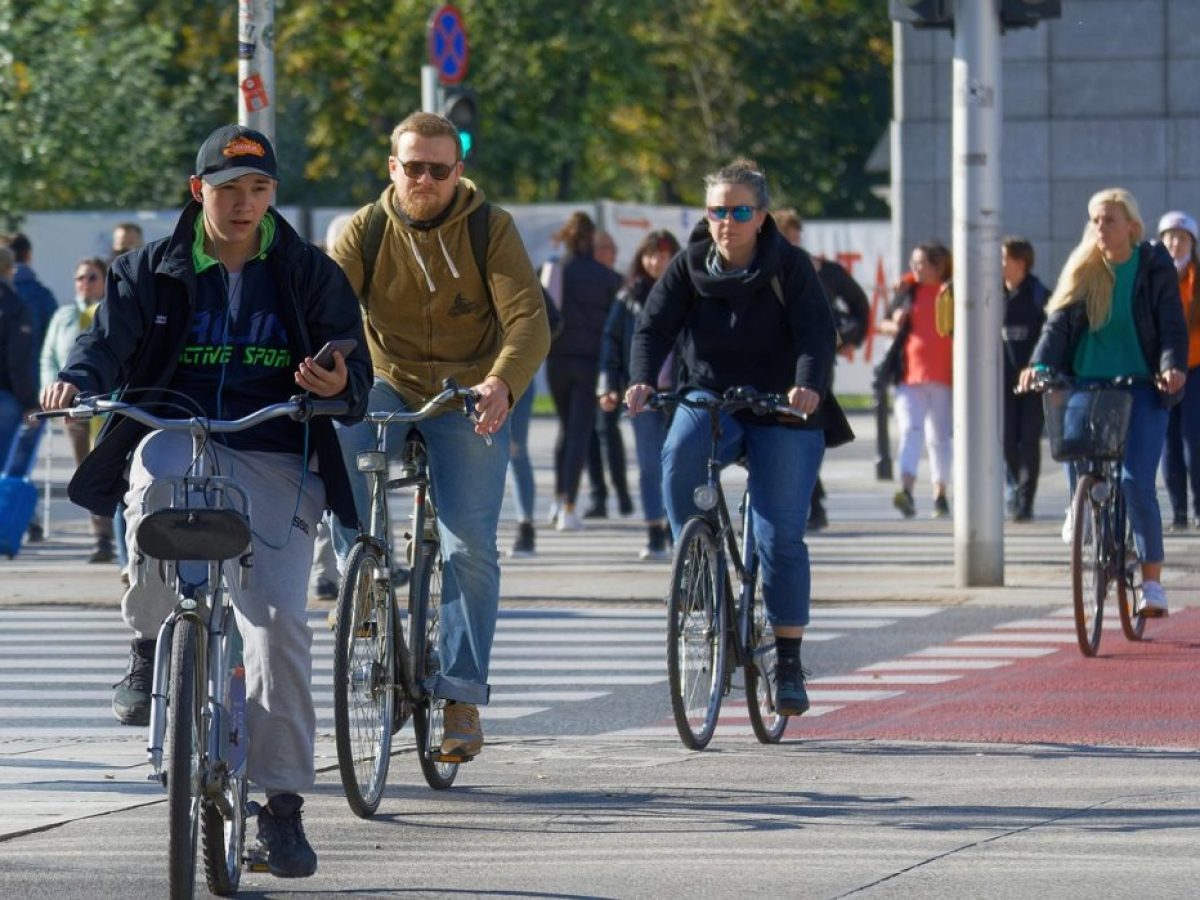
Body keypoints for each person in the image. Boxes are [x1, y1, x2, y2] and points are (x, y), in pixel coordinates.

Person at [40, 124, 371, 878]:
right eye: (228, 189)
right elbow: (105, 346)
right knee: (149, 482)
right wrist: (74, 380)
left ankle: (281, 811)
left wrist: (335, 387)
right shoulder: (146, 270)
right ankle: (150, 640)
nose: (245, 203)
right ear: (199, 192)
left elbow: (357, 372)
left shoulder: (308, 272)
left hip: (276, 448)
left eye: (258, 189)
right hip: (175, 429)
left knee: (280, 630)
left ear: (272, 195)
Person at [328, 111, 549, 760]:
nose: (425, 178)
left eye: (439, 169)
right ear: (392, 169)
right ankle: (359, 577)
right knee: (337, 444)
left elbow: (528, 318)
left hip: (467, 389)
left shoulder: (490, 228)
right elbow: (328, 309)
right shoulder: (365, 231)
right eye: (412, 166)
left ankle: (460, 697)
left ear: (458, 172)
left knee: (469, 544)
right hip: (388, 378)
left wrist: (503, 383)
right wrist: (324, 366)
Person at [626, 158, 852, 715]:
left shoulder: (790, 266)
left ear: (761, 216)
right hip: (712, 395)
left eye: (739, 210)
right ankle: (698, 568)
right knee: (677, 451)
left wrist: (808, 388)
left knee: (779, 539)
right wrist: (638, 379)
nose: (727, 221)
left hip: (782, 407)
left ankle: (790, 660)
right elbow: (653, 328)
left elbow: (817, 334)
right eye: (717, 210)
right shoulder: (687, 265)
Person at [1019, 187, 1186, 617]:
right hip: (1088, 384)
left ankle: (1151, 585)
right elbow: (1056, 327)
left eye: (1109, 220)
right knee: (1079, 456)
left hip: (1143, 386)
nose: (1100, 227)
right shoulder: (1084, 267)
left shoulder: (1152, 266)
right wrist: (1039, 366)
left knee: (1135, 482)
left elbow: (1171, 325)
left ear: (1131, 226)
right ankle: (1083, 512)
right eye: (1094, 219)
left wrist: (1172, 367)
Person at [775, 209, 870, 530]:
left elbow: (859, 305)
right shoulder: (765, 269)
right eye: (786, 235)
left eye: (795, 235)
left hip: (816, 357)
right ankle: (808, 498)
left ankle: (814, 502)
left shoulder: (822, 270)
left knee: (806, 424)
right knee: (781, 432)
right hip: (776, 360)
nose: (792, 241)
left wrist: (849, 339)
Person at [598, 229, 680, 559]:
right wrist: (607, 385)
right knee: (649, 465)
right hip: (642, 395)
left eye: (663, 255)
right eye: (650, 255)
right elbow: (611, 342)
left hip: (679, 394)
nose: (657, 261)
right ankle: (654, 529)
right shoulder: (629, 296)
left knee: (680, 462)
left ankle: (680, 529)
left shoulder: (689, 291)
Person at [544, 212, 623, 530]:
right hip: (590, 363)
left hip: (558, 360)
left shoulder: (556, 271)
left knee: (565, 430)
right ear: (592, 239)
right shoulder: (608, 278)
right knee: (578, 432)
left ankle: (558, 497)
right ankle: (569, 506)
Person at [39, 257, 115, 562]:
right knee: (84, 470)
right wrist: (50, 390)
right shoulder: (64, 315)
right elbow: (48, 357)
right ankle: (99, 535)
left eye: (92, 277)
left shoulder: (111, 312)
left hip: (107, 407)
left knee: (109, 468)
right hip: (73, 410)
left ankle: (114, 535)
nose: (85, 283)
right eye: (79, 278)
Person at [878, 242, 954, 519]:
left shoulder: (952, 291)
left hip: (945, 376)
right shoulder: (907, 291)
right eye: (913, 263)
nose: (914, 268)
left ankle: (940, 493)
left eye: (920, 263)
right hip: (909, 375)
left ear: (938, 266)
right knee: (910, 430)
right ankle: (907, 488)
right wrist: (895, 321)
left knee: (940, 438)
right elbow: (884, 324)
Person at [5, 234, 58, 543]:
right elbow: (37, 352)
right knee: (16, 465)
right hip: (24, 393)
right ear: (26, 257)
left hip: (17, 391)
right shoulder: (36, 297)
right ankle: (22, 520)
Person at [1155, 210, 1200, 530]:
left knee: (1193, 440)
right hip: (1162, 370)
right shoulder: (1154, 276)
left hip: (1195, 368)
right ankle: (1178, 511)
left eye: (1182, 238)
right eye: (1169, 237)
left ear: (1192, 243)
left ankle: (1198, 507)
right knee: (1167, 442)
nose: (1175, 243)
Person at [584, 227, 633, 519]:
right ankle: (598, 495)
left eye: (612, 249)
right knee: (590, 433)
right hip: (585, 366)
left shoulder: (619, 284)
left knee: (606, 430)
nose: (610, 254)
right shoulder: (588, 283)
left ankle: (622, 492)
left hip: (611, 371)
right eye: (605, 248)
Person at [1001, 237, 1049, 522]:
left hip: (1032, 382)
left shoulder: (1039, 294)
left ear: (1020, 263)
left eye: (1003, 258)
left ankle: (1025, 502)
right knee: (1006, 440)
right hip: (1003, 382)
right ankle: (1015, 489)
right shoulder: (992, 294)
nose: (999, 264)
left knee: (1029, 440)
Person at [0, 247, 37, 464]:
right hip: (5, 395)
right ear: (8, 269)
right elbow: (18, 362)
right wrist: (30, 403)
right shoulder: (14, 305)